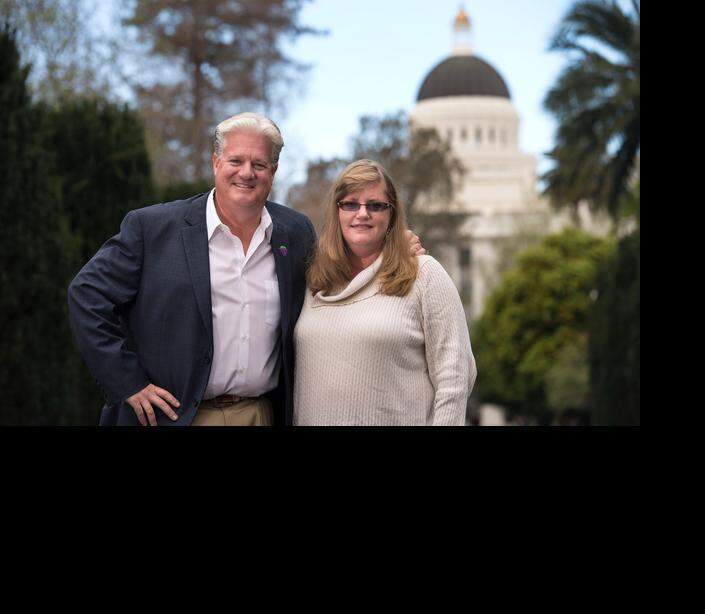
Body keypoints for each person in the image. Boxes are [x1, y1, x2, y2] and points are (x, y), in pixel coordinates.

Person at [67, 113, 424, 427]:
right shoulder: (154, 229)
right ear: (215, 163)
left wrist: (393, 246)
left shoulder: (295, 232)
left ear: (274, 171)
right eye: (235, 160)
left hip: (259, 415)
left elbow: (336, 275)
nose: (247, 173)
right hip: (172, 417)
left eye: (259, 164)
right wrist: (127, 381)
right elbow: (86, 296)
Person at [293, 159, 475, 426]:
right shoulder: (314, 280)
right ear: (337, 212)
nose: (362, 213)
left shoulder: (423, 274)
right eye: (351, 204)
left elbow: (455, 375)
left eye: (376, 205)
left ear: (392, 215)